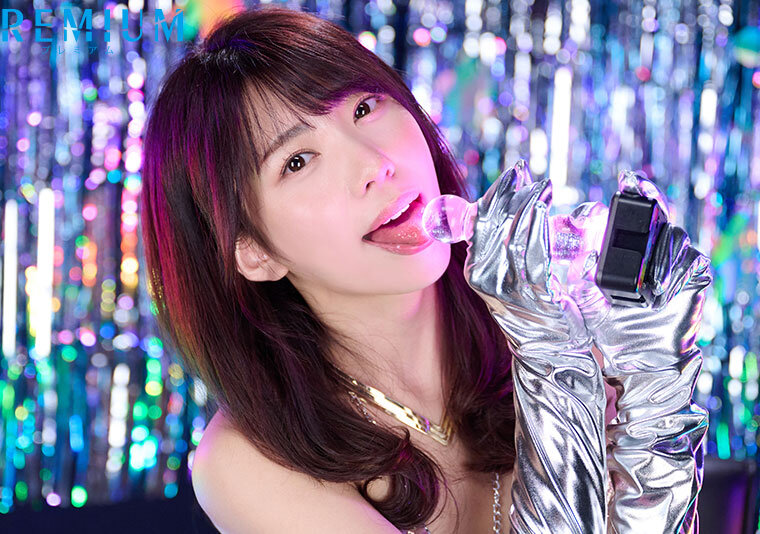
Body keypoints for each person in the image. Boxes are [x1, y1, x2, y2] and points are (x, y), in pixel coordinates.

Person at [139, 5, 709, 533]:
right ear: (253, 252)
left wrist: (656, 383)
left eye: (364, 109)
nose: (374, 164)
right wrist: (552, 370)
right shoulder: (246, 462)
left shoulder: (570, 342)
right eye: (298, 161)